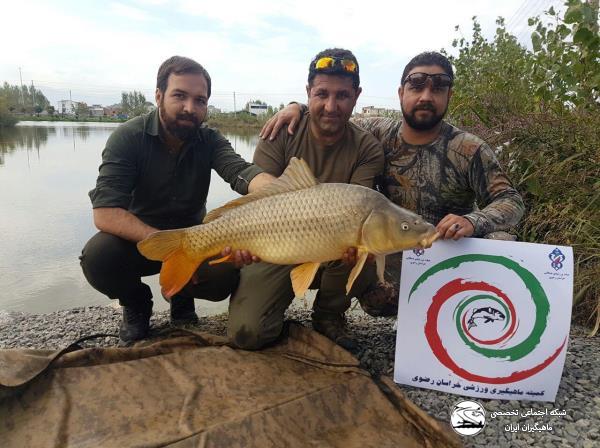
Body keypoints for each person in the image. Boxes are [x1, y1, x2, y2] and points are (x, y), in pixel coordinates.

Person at [260, 51, 525, 317]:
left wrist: (473, 221)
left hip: (447, 250)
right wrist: (297, 107)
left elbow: (511, 201)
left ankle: (479, 317)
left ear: (449, 97)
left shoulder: (469, 148)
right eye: (416, 87)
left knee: (503, 241)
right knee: (364, 267)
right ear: (401, 93)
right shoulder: (377, 132)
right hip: (392, 250)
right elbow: (332, 112)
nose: (425, 97)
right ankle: (332, 317)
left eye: (438, 89)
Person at [80, 56, 275, 345]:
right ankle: (136, 304)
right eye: (180, 96)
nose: (190, 108)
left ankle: (183, 298)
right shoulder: (128, 138)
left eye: (200, 100)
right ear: (158, 96)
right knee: (98, 258)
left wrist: (284, 191)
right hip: (138, 241)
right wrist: (166, 245)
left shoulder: (209, 139)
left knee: (225, 276)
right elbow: (106, 213)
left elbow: (241, 172)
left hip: (194, 241)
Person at [227, 48, 385, 351]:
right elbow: (256, 205)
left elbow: (362, 209)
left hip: (334, 244)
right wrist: (245, 243)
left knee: (363, 245)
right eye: (321, 94)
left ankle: (329, 315)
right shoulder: (280, 132)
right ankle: (275, 314)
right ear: (308, 92)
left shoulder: (367, 148)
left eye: (342, 96)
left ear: (356, 96)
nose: (331, 106)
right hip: (278, 241)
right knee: (247, 335)